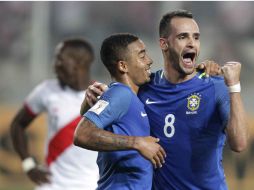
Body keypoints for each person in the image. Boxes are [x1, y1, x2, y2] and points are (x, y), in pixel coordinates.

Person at [81, 10, 249, 190]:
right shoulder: (144, 87)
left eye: (196, 37)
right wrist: (91, 100)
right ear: (164, 44)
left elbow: (239, 144)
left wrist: (234, 86)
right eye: (183, 37)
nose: (192, 43)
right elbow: (95, 121)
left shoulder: (215, 86)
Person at [74, 33, 166, 190]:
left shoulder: (128, 96)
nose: (149, 60)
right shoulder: (120, 94)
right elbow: (82, 134)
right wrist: (137, 143)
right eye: (142, 56)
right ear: (123, 66)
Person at [10, 38, 99, 190]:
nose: (55, 65)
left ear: (80, 63)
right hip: (52, 185)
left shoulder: (103, 95)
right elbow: (18, 125)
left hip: (90, 185)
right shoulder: (46, 90)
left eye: (60, 59)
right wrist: (28, 165)